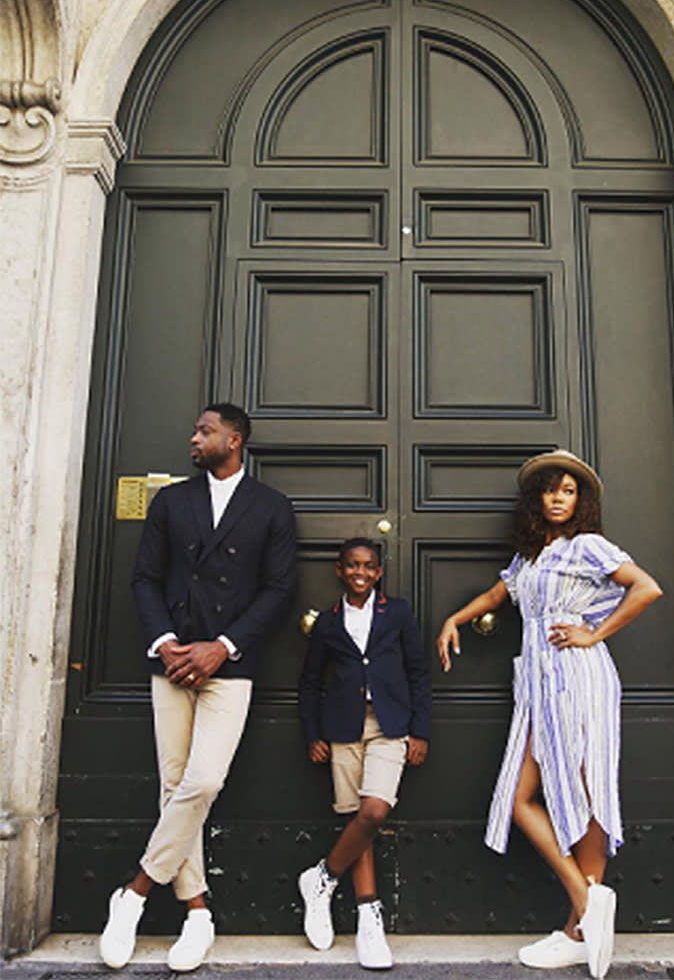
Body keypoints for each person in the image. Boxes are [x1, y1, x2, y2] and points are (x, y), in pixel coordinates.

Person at [436, 450, 662, 979]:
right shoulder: (531, 556)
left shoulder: (589, 546)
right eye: (550, 490)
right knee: (519, 798)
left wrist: (594, 632)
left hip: (578, 675)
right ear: (536, 498)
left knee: (586, 787)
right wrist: (455, 618)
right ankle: (588, 905)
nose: (559, 498)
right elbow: (499, 592)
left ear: (579, 500)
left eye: (568, 490)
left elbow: (646, 587)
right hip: (539, 683)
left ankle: (578, 927)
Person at [98, 403, 296, 971]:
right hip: (174, 660)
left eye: (205, 431)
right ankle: (198, 912)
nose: (193, 438)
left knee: (203, 781)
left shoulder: (271, 507)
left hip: (228, 666)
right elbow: (145, 577)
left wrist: (222, 647)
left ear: (233, 440)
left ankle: (133, 892)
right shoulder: (171, 501)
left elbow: (279, 590)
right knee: (173, 786)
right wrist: (165, 641)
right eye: (196, 431)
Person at [297, 538, 431, 970]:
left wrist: (420, 731)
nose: (360, 572)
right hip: (342, 727)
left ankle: (322, 877)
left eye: (369, 566)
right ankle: (368, 919)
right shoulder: (328, 623)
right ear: (339, 570)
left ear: (379, 573)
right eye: (352, 565)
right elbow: (309, 682)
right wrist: (313, 733)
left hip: (389, 726)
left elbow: (419, 674)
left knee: (374, 812)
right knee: (355, 816)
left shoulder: (399, 613)